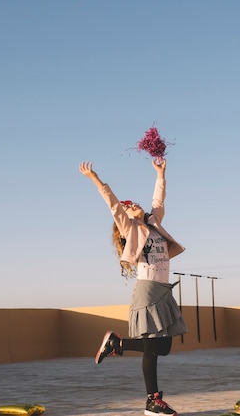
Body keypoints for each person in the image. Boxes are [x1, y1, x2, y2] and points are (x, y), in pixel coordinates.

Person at [79, 158, 187, 416]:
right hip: (147, 290)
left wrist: (161, 173)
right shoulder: (131, 228)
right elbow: (113, 205)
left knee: (164, 347)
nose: (132, 205)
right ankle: (152, 401)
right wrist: (95, 179)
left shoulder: (154, 223)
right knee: (151, 348)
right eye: (129, 206)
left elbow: (158, 201)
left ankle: (117, 343)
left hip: (163, 291)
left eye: (134, 203)